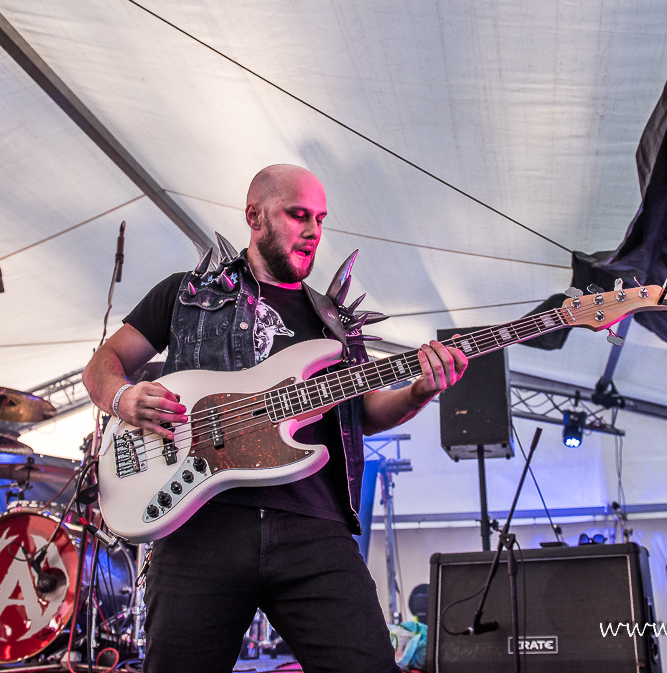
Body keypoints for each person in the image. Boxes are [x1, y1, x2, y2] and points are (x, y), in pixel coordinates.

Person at [83, 164, 468, 672]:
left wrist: (419, 390)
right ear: (255, 216)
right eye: (298, 215)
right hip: (200, 527)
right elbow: (101, 365)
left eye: (320, 219)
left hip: (313, 527)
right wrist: (123, 398)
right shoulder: (185, 293)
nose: (313, 230)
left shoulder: (334, 323)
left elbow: (365, 413)